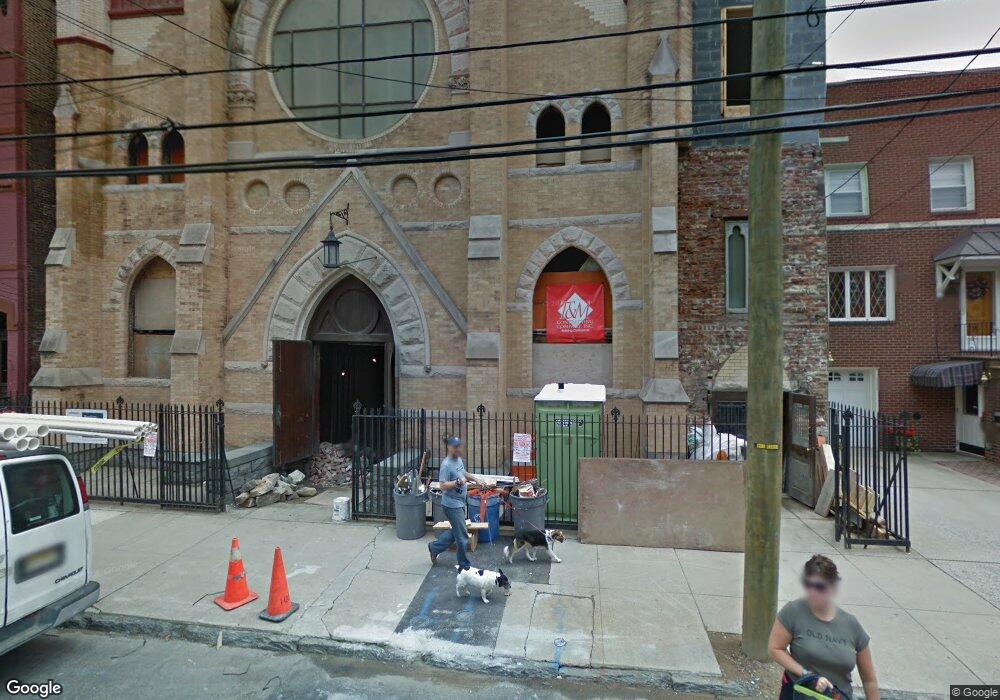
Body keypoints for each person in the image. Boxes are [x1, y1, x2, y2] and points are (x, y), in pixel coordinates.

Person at [769, 554, 879, 700]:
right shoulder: (793, 612)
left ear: (832, 587)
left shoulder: (851, 624)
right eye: (808, 585)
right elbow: (775, 648)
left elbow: (869, 679)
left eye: (819, 587)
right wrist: (808, 675)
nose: (812, 592)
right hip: (800, 694)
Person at [428, 436, 485, 568]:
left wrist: (476, 479)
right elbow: (442, 486)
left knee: (457, 532)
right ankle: (464, 565)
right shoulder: (446, 465)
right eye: (456, 447)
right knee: (462, 537)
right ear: (449, 447)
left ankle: (434, 548)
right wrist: (457, 482)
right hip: (452, 505)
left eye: (459, 446)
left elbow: (463, 472)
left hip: (459, 502)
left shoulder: (458, 460)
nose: (459, 449)